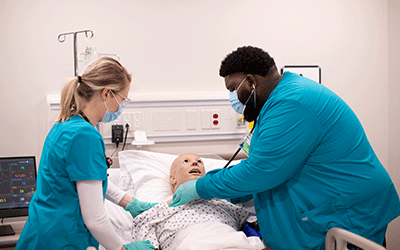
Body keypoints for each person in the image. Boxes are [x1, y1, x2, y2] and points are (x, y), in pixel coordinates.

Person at [169, 46, 400, 249]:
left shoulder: (292, 103)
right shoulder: (278, 102)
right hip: (332, 207)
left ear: (250, 81)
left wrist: (201, 186)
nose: (232, 96)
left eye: (232, 88)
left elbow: (262, 170)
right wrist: (230, 192)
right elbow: (272, 165)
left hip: (350, 214)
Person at [16, 57, 155, 250]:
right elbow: (96, 220)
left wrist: (129, 203)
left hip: (41, 232)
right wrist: (124, 249)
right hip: (62, 239)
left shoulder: (64, 126)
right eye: (122, 99)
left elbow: (87, 180)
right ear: (106, 93)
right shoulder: (85, 136)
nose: (120, 107)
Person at [131, 153, 266, 250]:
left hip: (232, 242)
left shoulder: (223, 203)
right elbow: (143, 227)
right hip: (189, 243)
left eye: (199, 161)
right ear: (172, 178)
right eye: (186, 161)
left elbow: (251, 222)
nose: (195, 163)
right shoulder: (161, 210)